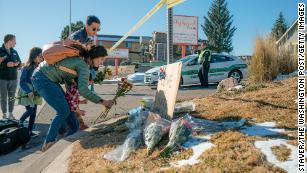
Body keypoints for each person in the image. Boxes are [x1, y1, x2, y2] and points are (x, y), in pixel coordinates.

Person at [31, 45, 114, 151]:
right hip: (43, 79)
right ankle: (49, 143)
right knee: (63, 111)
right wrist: (103, 102)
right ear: (95, 56)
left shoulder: (79, 59)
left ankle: (64, 138)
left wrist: (76, 107)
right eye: (102, 59)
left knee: (73, 122)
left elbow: (71, 89)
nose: (102, 62)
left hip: (44, 77)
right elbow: (84, 90)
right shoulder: (83, 65)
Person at [71, 15, 101, 92]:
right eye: (94, 29)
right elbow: (74, 57)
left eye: (98, 29)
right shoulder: (77, 37)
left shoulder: (87, 38)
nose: (96, 32)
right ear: (87, 25)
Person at [18, 47, 43, 137]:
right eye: (40, 56)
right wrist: (28, 91)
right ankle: (20, 121)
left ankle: (29, 131)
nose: (41, 58)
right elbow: (22, 81)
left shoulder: (40, 67)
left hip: (35, 92)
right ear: (34, 56)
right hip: (27, 91)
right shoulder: (26, 67)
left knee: (34, 112)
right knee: (30, 111)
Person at [0, 34, 21, 119]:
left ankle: (11, 114)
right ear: (9, 41)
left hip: (13, 78)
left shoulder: (15, 52)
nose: (15, 43)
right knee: (3, 97)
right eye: (14, 41)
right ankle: (4, 114)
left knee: (12, 97)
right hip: (2, 79)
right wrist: (6, 65)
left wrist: (17, 64)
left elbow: (19, 62)